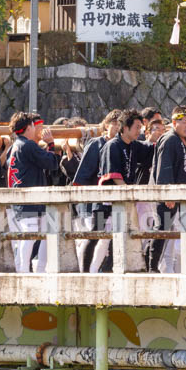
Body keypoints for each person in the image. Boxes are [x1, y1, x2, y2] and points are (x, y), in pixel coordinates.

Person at [148, 105, 186, 273]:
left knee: (171, 232)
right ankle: (151, 266)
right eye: (184, 122)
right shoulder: (170, 139)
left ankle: (163, 266)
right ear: (174, 123)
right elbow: (164, 168)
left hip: (180, 194)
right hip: (167, 194)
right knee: (162, 229)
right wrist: (168, 194)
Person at [6, 112, 59, 273]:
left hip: (20, 196)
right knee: (30, 234)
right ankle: (25, 270)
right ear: (29, 127)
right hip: (29, 197)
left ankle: (26, 268)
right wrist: (50, 144)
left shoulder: (14, 146)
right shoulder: (28, 145)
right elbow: (52, 162)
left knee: (38, 233)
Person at [94, 110, 145, 272]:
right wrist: (128, 194)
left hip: (123, 202)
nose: (139, 131)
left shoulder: (134, 146)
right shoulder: (112, 146)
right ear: (125, 128)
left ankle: (113, 270)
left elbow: (151, 150)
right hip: (106, 203)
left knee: (120, 238)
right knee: (102, 240)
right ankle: (92, 271)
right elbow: (114, 176)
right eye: (137, 127)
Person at [72, 110, 122, 273]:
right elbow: (84, 172)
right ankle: (84, 271)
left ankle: (94, 271)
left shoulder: (121, 145)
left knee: (105, 241)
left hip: (113, 202)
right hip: (93, 202)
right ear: (106, 125)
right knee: (94, 237)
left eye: (120, 124)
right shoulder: (96, 143)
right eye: (114, 123)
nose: (117, 127)